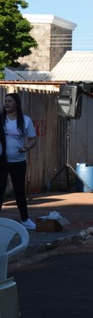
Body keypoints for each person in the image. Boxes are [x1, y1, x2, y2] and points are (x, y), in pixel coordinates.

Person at [0, 93, 38, 229]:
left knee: (19, 191)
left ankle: (25, 219)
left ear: (16, 103)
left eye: (10, 101)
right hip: (2, 161)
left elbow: (33, 139)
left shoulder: (25, 120)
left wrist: (27, 147)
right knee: (0, 189)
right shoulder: (1, 119)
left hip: (18, 161)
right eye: (5, 101)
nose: (7, 103)